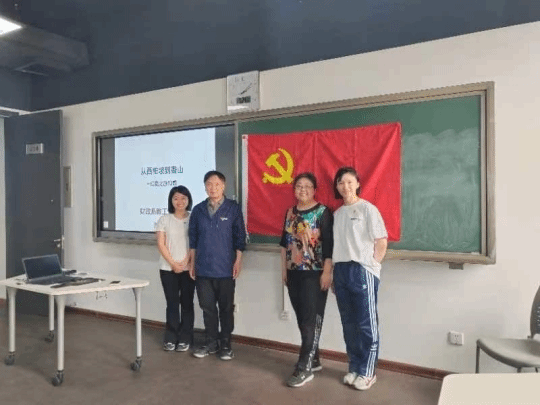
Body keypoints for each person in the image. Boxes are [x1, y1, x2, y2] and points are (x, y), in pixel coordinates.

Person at [332, 166, 388, 391]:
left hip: (362, 270)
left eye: (349, 182)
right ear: (337, 186)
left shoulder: (367, 209)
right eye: (341, 182)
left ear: (357, 184)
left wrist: (372, 265)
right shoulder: (337, 214)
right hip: (341, 271)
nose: (345, 186)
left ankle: (368, 372)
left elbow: (381, 241)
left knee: (366, 324)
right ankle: (354, 367)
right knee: (348, 323)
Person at [280, 172, 333, 388]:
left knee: (311, 319)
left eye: (307, 186)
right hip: (293, 272)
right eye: (299, 186)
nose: (303, 189)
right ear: (294, 189)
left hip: (315, 273)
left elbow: (329, 245)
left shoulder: (323, 212)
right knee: (303, 318)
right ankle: (314, 359)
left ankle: (304, 367)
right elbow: (284, 243)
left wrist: (327, 272)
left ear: (314, 190)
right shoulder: (290, 212)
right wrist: (284, 270)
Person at [188, 170, 246, 361]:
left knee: (226, 308)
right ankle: (211, 342)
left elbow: (239, 237)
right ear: (205, 187)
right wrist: (192, 263)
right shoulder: (198, 210)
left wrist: (238, 260)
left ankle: (226, 344)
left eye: (217, 184)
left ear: (223, 186)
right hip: (203, 268)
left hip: (225, 268)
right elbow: (193, 239)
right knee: (207, 308)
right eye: (209, 184)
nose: (213, 188)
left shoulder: (232, 208)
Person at [155, 185, 195, 352]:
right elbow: (161, 244)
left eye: (183, 198)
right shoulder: (164, 219)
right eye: (176, 198)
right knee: (172, 303)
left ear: (188, 200)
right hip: (167, 268)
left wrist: (186, 262)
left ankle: (185, 338)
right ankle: (171, 338)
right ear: (171, 200)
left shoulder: (194, 218)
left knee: (187, 303)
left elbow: (195, 243)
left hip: (188, 268)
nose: (180, 201)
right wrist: (173, 263)